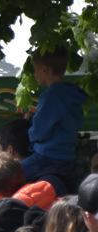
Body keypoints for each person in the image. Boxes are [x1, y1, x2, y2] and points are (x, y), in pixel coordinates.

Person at [20, 47, 88, 195]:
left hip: (45, 156)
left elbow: (39, 132)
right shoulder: (72, 96)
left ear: (44, 69)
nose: (35, 74)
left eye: (35, 69)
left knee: (11, 177)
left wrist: (31, 126)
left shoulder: (50, 97)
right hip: (66, 157)